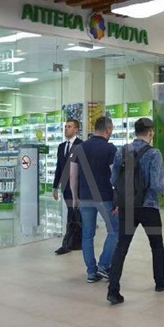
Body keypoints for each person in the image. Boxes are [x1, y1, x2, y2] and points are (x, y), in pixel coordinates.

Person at [106, 118, 164, 305]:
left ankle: (113, 290)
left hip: (127, 207)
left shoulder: (121, 151)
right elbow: (157, 184)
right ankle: (160, 281)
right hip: (148, 207)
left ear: (135, 131)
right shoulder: (154, 153)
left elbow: (113, 180)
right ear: (150, 132)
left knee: (122, 246)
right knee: (156, 245)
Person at [69, 116, 118, 283]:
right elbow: (115, 176)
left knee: (87, 234)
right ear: (108, 129)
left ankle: (91, 272)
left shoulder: (79, 148)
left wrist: (75, 197)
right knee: (115, 231)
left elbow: (73, 176)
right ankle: (103, 266)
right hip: (105, 197)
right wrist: (118, 198)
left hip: (85, 197)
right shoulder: (110, 149)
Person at [52, 119, 83, 255]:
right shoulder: (61, 147)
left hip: (78, 187)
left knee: (74, 214)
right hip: (66, 187)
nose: (66, 129)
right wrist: (55, 186)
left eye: (69, 127)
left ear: (76, 129)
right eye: (65, 127)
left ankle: (68, 243)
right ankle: (74, 242)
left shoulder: (81, 145)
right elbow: (59, 167)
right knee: (72, 213)